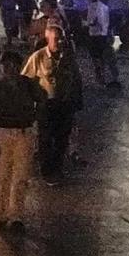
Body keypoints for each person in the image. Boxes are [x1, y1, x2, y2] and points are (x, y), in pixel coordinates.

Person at [0, 48, 41, 232]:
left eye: (13, 65)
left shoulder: (27, 84)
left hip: (23, 132)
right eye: (6, 66)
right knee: (1, 175)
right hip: (3, 132)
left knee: (20, 175)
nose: (9, 70)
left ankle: (16, 215)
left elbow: (42, 98)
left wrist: (34, 115)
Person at [22, 20, 83, 183]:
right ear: (48, 38)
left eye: (61, 38)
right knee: (46, 139)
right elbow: (25, 80)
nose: (59, 42)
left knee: (62, 138)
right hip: (46, 105)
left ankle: (58, 168)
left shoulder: (68, 58)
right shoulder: (38, 57)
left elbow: (77, 78)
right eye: (56, 39)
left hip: (65, 105)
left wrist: (77, 101)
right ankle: (47, 171)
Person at [83, 0, 116, 86]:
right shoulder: (104, 7)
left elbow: (96, 21)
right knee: (101, 56)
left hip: (96, 34)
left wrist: (87, 23)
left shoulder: (97, 7)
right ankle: (102, 75)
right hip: (102, 34)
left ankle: (101, 76)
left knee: (97, 56)